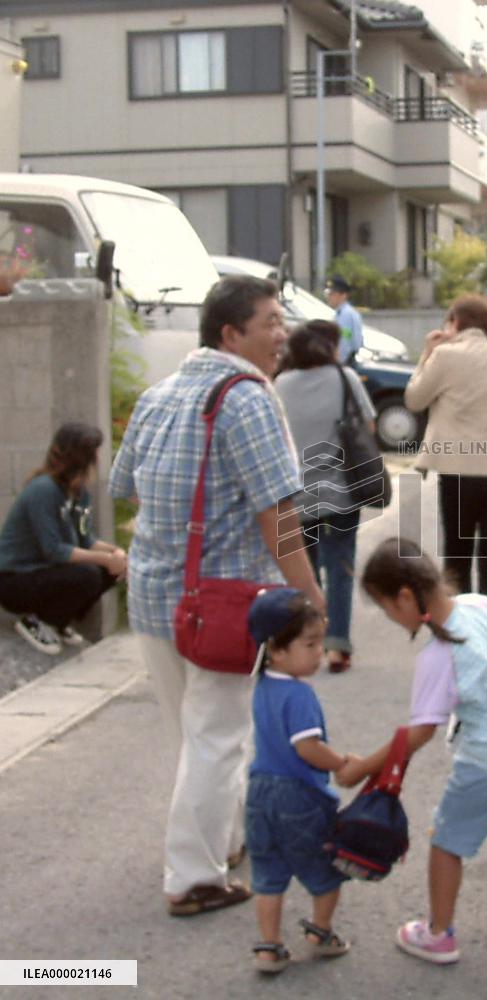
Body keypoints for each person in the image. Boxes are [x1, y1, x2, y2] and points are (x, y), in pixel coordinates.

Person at [109, 274, 326, 917]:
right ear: (231, 335)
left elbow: (127, 486)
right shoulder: (247, 397)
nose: (280, 333)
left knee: (197, 734)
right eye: (269, 322)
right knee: (218, 737)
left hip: (154, 595)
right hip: (221, 605)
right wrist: (309, 596)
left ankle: (223, 841)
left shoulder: (160, 393)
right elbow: (278, 513)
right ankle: (193, 877)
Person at [337, 538, 487, 965]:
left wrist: (364, 766)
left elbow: (418, 735)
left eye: (386, 609)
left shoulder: (440, 655)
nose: (390, 618)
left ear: (405, 597)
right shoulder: (478, 604)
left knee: (447, 841)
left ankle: (438, 934)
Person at [245, 587, 357, 974]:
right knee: (326, 869)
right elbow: (307, 748)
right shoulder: (299, 695)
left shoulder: (262, 688)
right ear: (276, 649)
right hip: (299, 796)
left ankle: (268, 947)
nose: (318, 653)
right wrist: (341, 762)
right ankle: (320, 931)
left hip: (259, 793)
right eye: (309, 645)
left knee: (268, 875)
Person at [403, 294, 487, 610]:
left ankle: (462, 634)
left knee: (457, 559)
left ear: (455, 323)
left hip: (458, 472)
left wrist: (427, 353)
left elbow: (414, 400)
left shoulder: (445, 356)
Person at [275, 320, 377, 673]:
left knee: (306, 572)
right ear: (327, 347)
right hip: (341, 493)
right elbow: (369, 426)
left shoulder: (279, 384)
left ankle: (308, 643)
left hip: (297, 496)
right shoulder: (344, 377)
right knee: (340, 568)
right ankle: (336, 647)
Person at [0, 422, 126, 654]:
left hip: (47, 572)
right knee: (89, 573)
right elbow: (54, 549)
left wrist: (115, 553)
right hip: (14, 579)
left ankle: (59, 620)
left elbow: (86, 538)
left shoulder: (78, 493)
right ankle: (37, 621)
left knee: (111, 569)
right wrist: (104, 559)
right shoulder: (43, 490)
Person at [324, 275, 363, 364]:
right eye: (328, 294)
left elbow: (344, 341)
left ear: (343, 295)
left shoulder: (345, 315)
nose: (329, 297)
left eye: (333, 294)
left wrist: (338, 363)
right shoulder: (341, 313)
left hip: (345, 362)